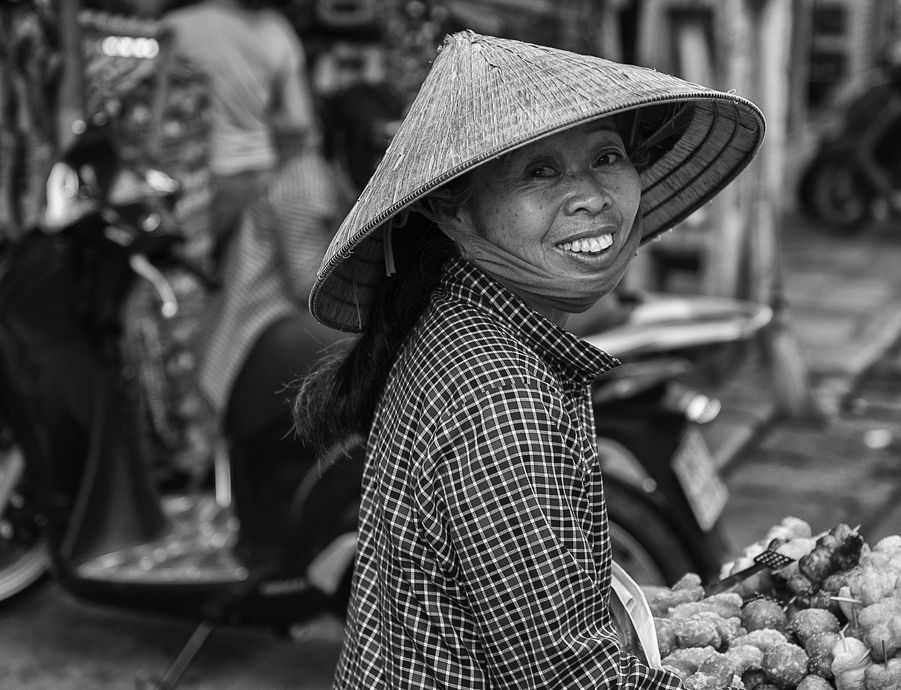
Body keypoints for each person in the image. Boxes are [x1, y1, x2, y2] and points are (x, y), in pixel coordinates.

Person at [295, 31, 764, 688]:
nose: (591, 196)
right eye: (541, 171)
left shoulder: (459, 324)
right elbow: (566, 677)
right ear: (454, 208)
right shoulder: (502, 393)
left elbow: (537, 616)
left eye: (607, 156)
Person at [194, 82, 404, 557]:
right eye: (375, 146)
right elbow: (312, 287)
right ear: (344, 142)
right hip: (258, 329)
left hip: (288, 326)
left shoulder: (346, 178)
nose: (385, 158)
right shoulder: (306, 188)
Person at [162, 0, 317, 267]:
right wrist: (259, 117)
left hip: (200, 179)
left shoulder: (179, 27)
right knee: (249, 278)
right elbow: (298, 119)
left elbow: (160, 109)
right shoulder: (276, 30)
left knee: (202, 275)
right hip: (265, 172)